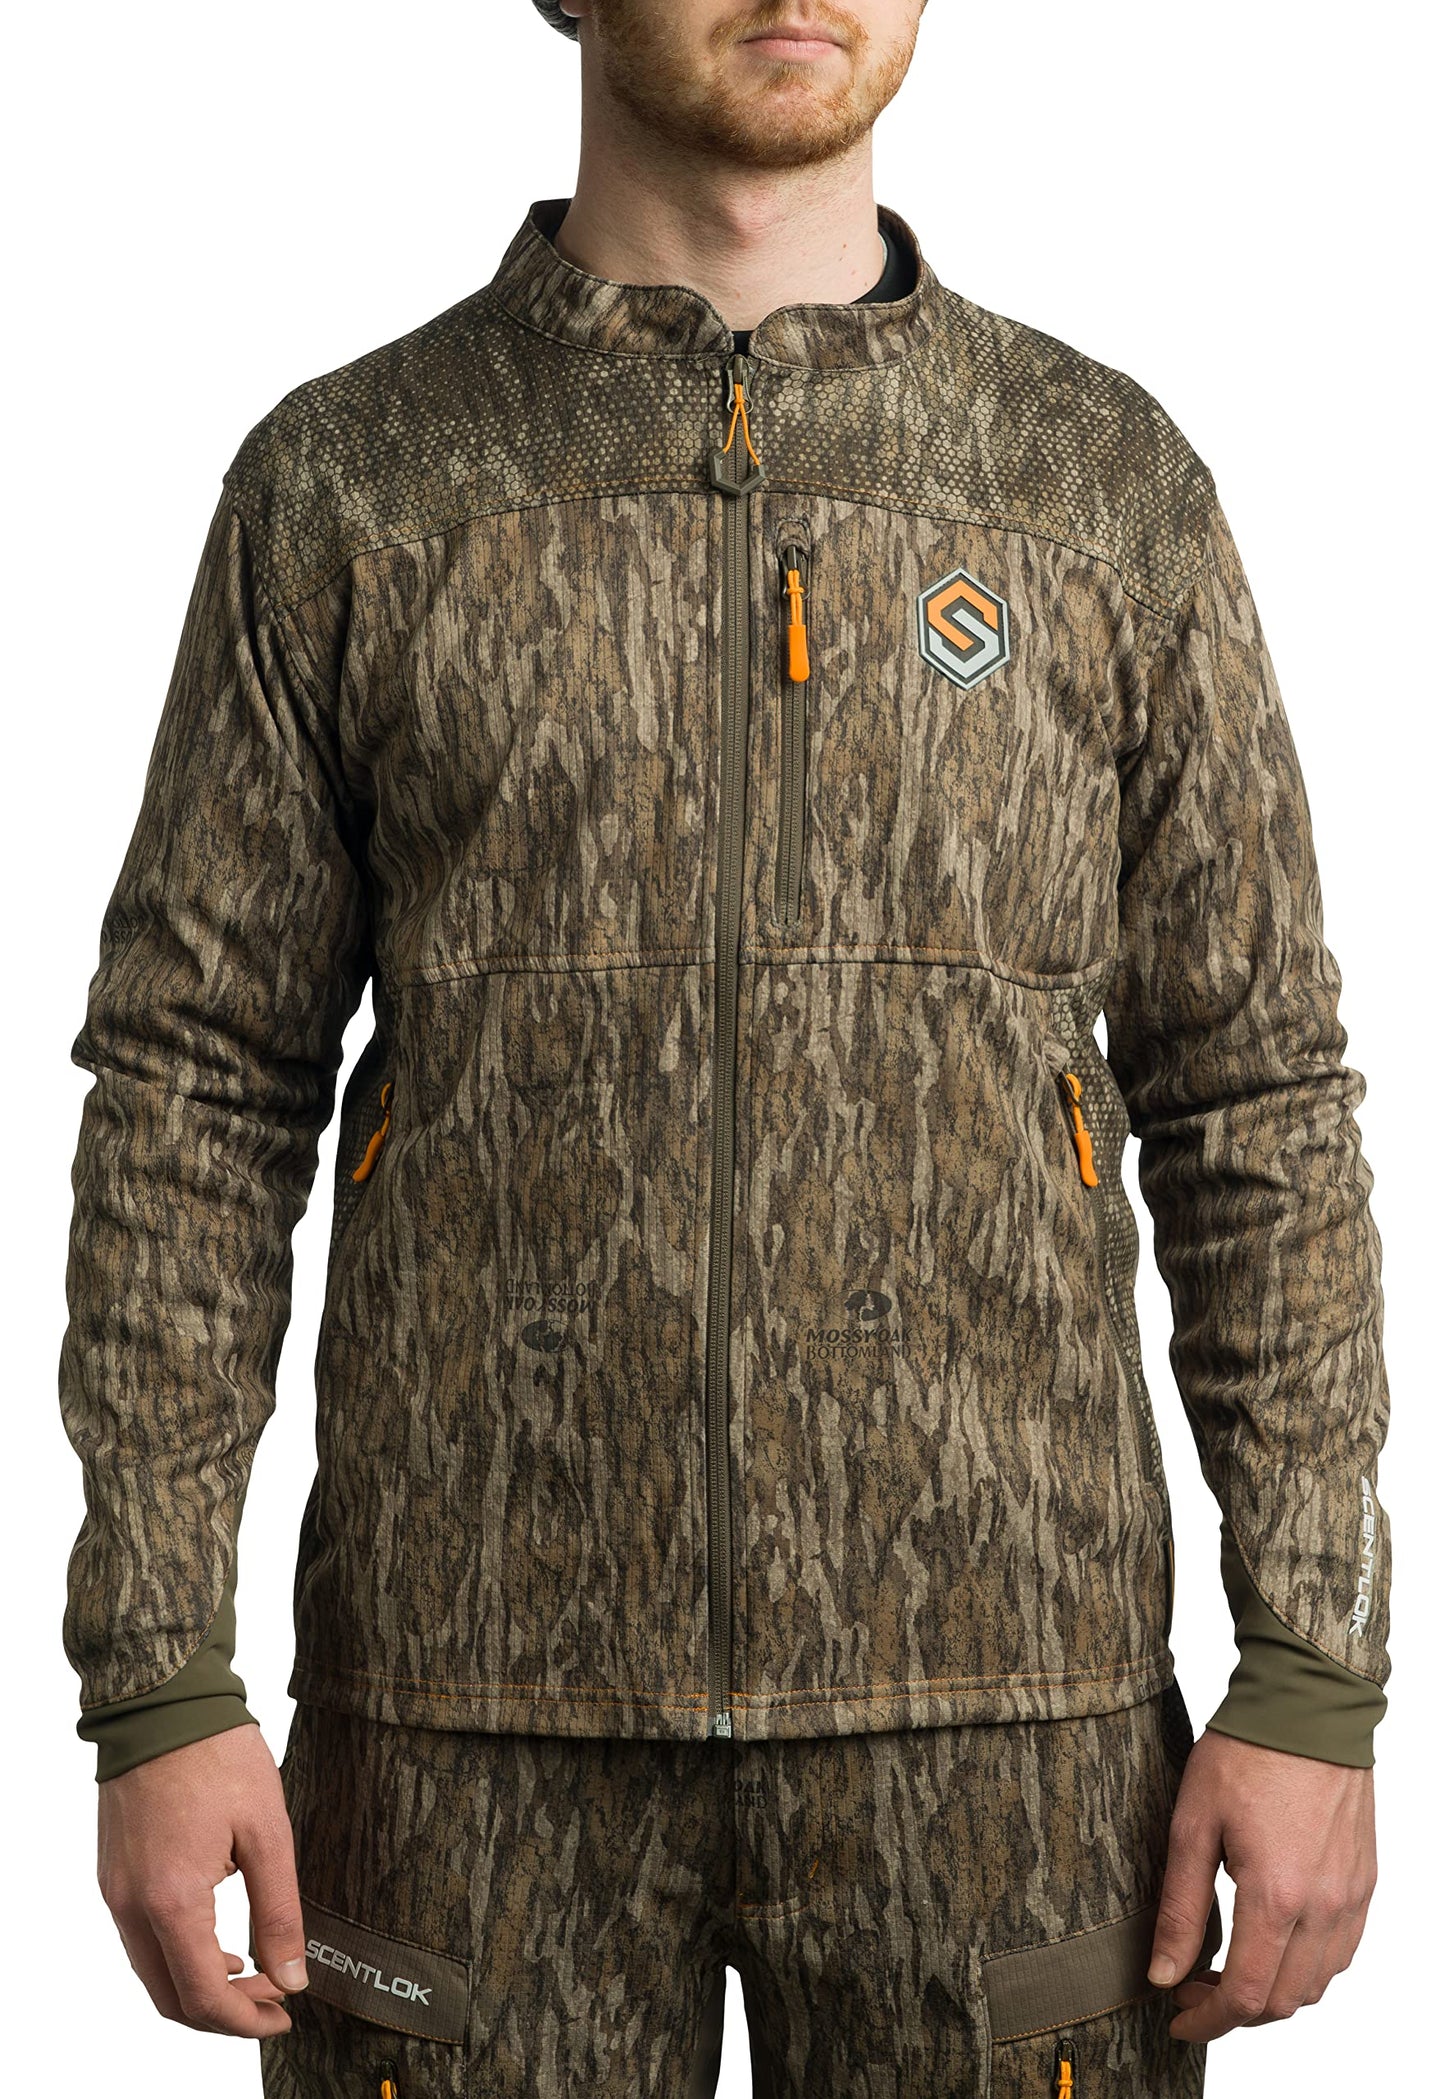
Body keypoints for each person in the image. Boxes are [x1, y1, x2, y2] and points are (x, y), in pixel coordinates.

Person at [59, 1, 1390, 2092]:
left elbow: (1256, 1100)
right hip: (466, 1729)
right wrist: (158, 1675)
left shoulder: (1094, 487)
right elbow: (194, 1093)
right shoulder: (354, 486)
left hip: (1011, 1730)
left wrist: (1311, 1671)